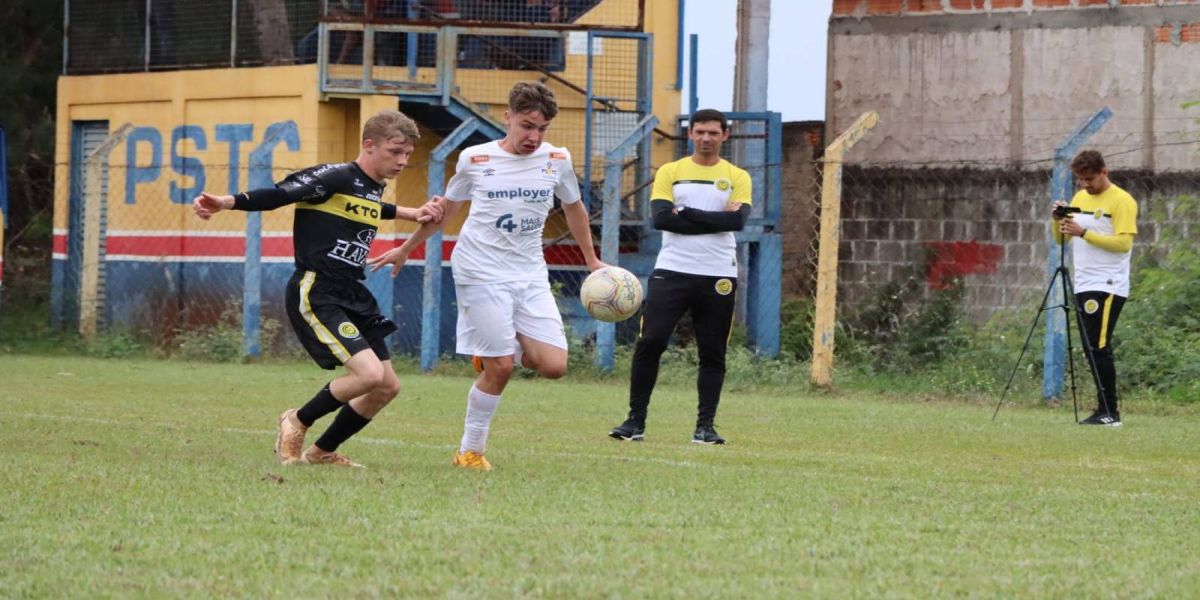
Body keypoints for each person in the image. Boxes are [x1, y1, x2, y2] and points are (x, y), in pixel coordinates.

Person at [368, 81, 605, 470]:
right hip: (480, 269)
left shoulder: (557, 159)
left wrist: (592, 260)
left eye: (542, 129)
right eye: (527, 126)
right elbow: (445, 211)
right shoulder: (475, 159)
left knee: (554, 367)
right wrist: (406, 247)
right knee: (501, 369)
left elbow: (574, 208)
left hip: (529, 272)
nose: (534, 136)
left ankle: (497, 346)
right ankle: (470, 451)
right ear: (507, 117)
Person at [192, 110, 443, 467]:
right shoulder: (335, 175)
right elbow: (278, 195)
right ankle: (296, 420)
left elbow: (370, 205)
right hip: (317, 290)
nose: (402, 161)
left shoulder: (371, 185)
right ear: (369, 145)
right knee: (369, 375)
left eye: (407, 154)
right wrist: (227, 202)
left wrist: (412, 213)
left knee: (387, 386)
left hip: (352, 291)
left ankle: (322, 452)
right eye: (395, 152)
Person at [608, 108, 751, 445]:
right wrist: (715, 218)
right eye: (700, 132)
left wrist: (685, 212)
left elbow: (737, 222)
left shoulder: (737, 176)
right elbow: (661, 219)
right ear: (690, 134)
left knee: (712, 352)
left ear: (725, 136)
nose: (706, 138)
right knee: (651, 341)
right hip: (672, 270)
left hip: (718, 274)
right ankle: (635, 422)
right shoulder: (671, 171)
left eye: (713, 133)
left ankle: (705, 427)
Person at [1052, 149, 1138, 427]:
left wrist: (1085, 233)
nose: (1085, 184)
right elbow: (1062, 239)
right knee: (1091, 347)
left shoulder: (1122, 201)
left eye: (1089, 178)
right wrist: (1058, 221)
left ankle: (1110, 412)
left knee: (1098, 346)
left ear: (1104, 172)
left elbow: (1123, 244)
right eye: (1080, 179)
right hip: (1084, 282)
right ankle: (1103, 409)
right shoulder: (1079, 198)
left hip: (1108, 283)